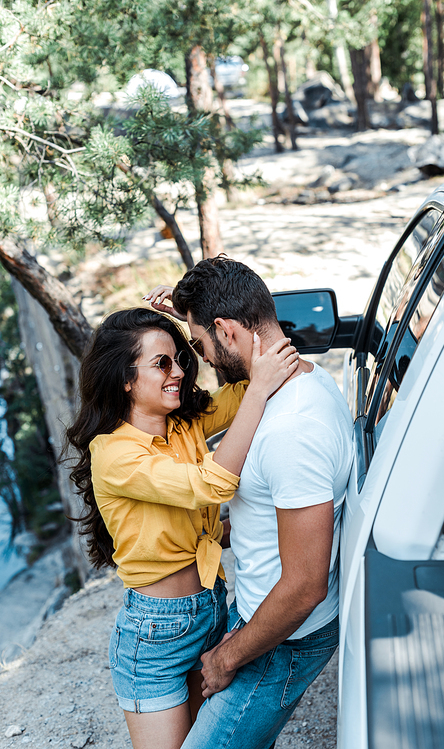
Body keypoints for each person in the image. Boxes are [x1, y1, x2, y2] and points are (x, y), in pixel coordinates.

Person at [145, 256, 354, 749]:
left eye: (201, 345)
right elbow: (271, 514)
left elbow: (305, 586)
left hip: (284, 638)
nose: (206, 359)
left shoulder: (292, 430)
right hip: (265, 617)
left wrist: (228, 655)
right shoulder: (302, 379)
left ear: (227, 330)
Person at [65, 307, 298, 749]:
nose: (179, 371)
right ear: (125, 379)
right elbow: (211, 484)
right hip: (154, 638)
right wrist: (256, 393)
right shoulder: (113, 454)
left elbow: (262, 374)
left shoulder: (184, 424)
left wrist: (209, 317)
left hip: (212, 610)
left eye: (181, 357)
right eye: (162, 363)